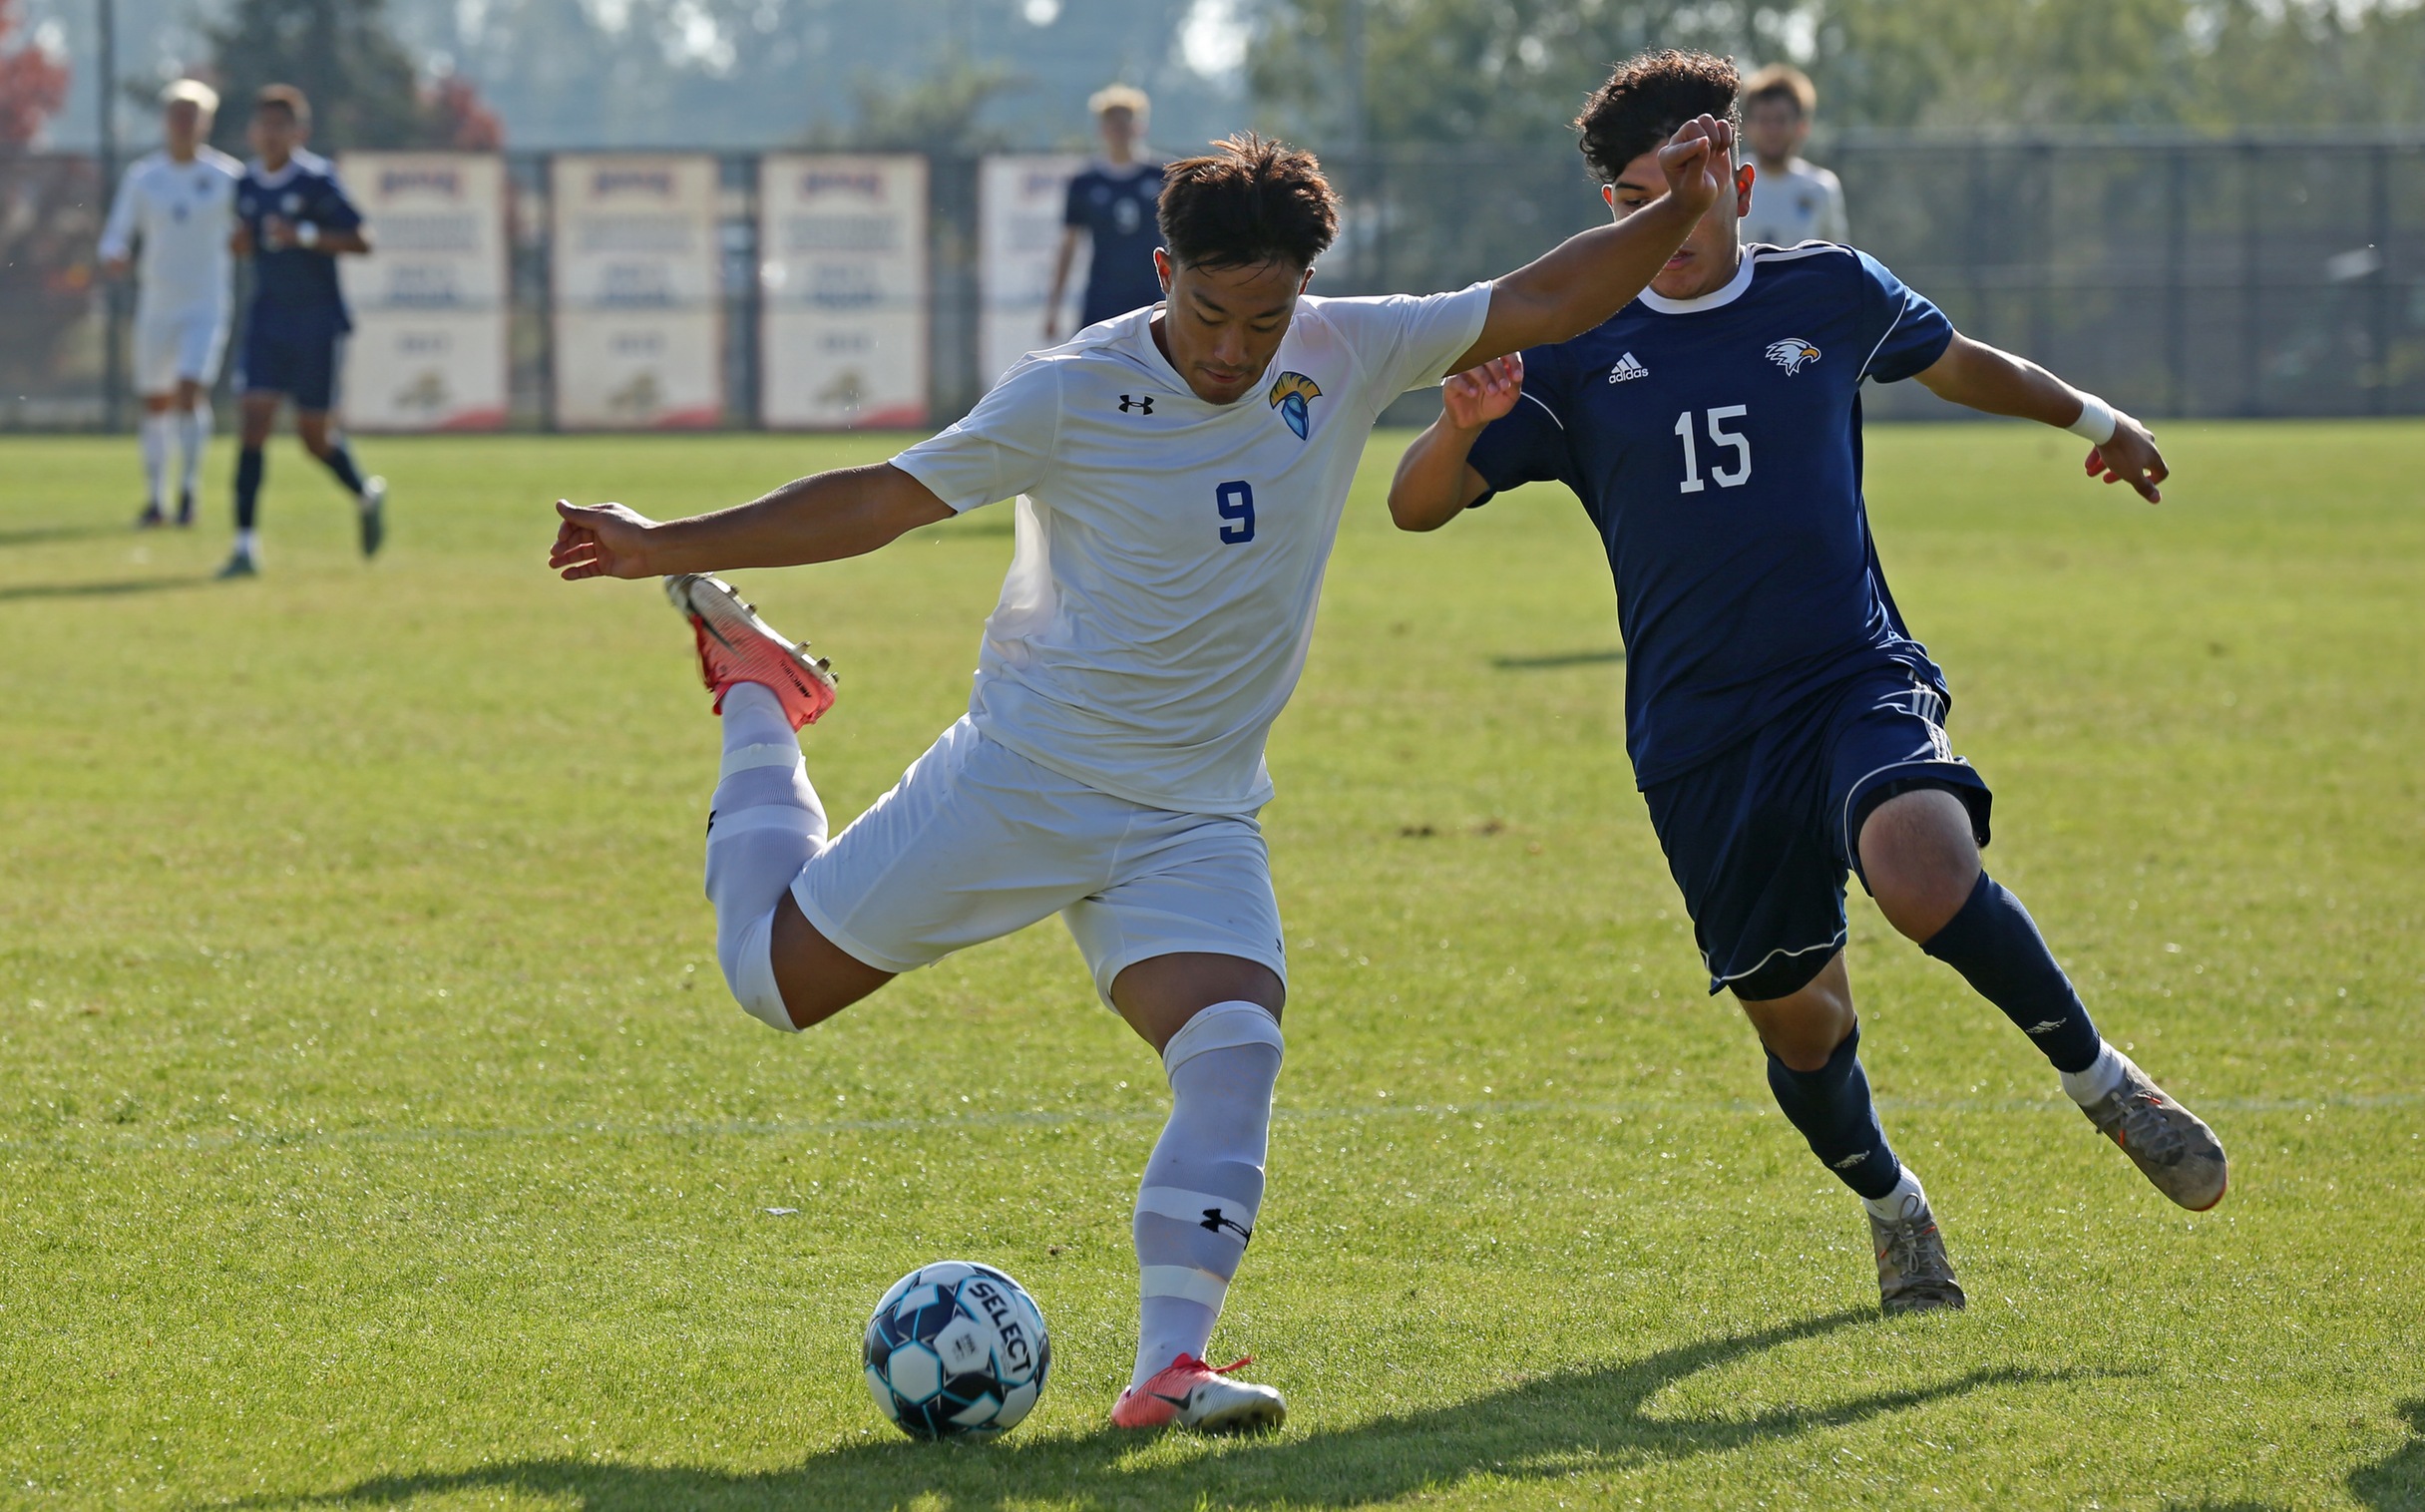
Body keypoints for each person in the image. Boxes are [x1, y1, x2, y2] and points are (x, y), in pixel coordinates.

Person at [550, 126, 1731, 1428]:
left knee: (1233, 1044)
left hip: (1193, 813)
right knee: (770, 984)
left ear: (1302, 296)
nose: (1234, 350)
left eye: (1264, 319)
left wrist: (1669, 204)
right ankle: (761, 697)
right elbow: (882, 500)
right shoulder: (1069, 389)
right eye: (1207, 311)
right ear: (1162, 269)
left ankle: (1168, 1368)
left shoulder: (1346, 347)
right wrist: (668, 546)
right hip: (1024, 780)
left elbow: (1544, 298)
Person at [1387, 51, 2225, 1316]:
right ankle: (1896, 1209)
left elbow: (1955, 360)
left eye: (1677, 186)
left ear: (1733, 172)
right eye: (1625, 201)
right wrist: (1458, 425)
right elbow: (1413, 508)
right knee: (1804, 1025)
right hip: (1698, 738)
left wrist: (2094, 421)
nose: (1654, 221)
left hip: (1846, 673)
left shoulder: (1828, 290)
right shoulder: (1569, 343)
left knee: (1922, 865)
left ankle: (2105, 1083)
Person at [220, 85, 386, 578]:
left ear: (299, 133)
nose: (270, 135)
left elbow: (362, 239)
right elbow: (247, 246)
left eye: (280, 126)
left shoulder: (317, 181)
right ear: (252, 131)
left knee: (314, 439)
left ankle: (364, 492)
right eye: (263, 125)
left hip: (316, 323)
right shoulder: (246, 185)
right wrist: (241, 246)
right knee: (252, 424)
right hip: (268, 320)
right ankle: (245, 545)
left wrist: (306, 236)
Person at [99, 80, 241, 530]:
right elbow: (115, 235)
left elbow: (249, 228)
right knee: (156, 403)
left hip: (206, 303)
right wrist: (114, 254)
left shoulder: (228, 177)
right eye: (176, 113)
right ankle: (156, 500)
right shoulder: (145, 177)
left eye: (191, 114)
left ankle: (189, 494)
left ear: (206, 122)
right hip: (157, 304)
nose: (183, 123)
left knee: (188, 391)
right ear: (165, 120)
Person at [1041, 85, 1165, 343]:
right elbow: (1069, 246)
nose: (1120, 131)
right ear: (1102, 129)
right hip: (1103, 298)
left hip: (1154, 297)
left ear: (1140, 126)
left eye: (1126, 123)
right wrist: (1053, 307)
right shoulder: (1085, 183)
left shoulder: (1163, 177)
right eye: (1113, 123)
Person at [1738, 64, 1847, 249]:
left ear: (1801, 126)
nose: (1772, 130)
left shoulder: (1822, 188)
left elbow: (1837, 262)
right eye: (1764, 120)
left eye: (1781, 120)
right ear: (1748, 126)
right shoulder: (1729, 181)